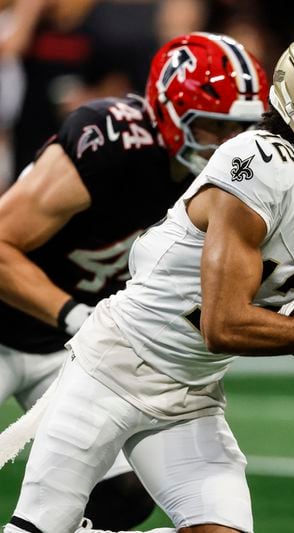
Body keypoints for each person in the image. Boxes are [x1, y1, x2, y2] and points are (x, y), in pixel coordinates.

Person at [3, 26, 294, 533]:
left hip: (193, 392)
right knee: (39, 526)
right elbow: (224, 325)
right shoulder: (257, 166)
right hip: (111, 368)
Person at [0, 31, 269, 530]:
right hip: (28, 322)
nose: (231, 147)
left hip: (71, 342)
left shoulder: (240, 182)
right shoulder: (110, 140)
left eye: (244, 130)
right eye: (215, 126)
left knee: (125, 494)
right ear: (170, 112)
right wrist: (75, 314)